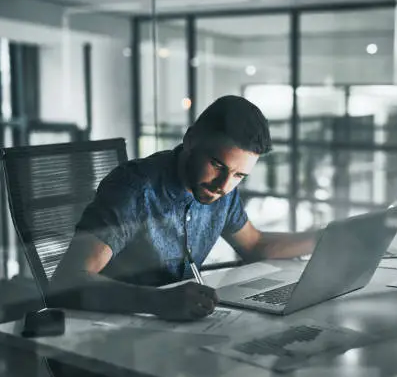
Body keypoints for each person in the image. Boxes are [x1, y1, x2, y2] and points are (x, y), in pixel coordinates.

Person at [50, 95, 320, 321]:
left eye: (239, 176)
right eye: (218, 165)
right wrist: (159, 301)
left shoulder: (221, 190)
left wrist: (323, 239)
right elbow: (67, 281)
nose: (223, 186)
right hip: (111, 327)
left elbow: (255, 244)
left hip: (175, 328)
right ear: (190, 140)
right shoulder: (134, 190)